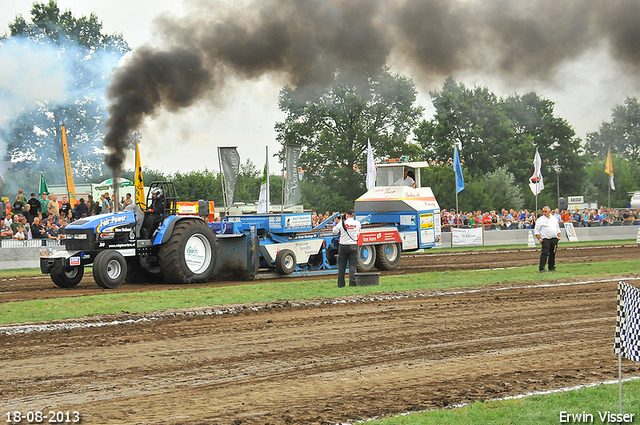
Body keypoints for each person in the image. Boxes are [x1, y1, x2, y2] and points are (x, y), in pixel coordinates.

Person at [332, 209, 362, 288]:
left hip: (343, 245)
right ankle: (352, 283)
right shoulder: (357, 223)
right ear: (354, 215)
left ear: (347, 215)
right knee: (353, 265)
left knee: (342, 266)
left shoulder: (342, 223)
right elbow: (358, 232)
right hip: (353, 245)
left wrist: (341, 221)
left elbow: (334, 231)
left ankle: (341, 284)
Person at [534, 206, 562, 273]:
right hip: (545, 239)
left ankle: (551, 267)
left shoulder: (554, 218)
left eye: (545, 211)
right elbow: (536, 230)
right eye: (543, 211)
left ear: (549, 212)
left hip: (554, 238)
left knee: (553, 253)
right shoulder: (540, 220)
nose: (544, 213)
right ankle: (542, 268)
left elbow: (557, 228)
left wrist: (559, 236)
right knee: (545, 253)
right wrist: (539, 239)